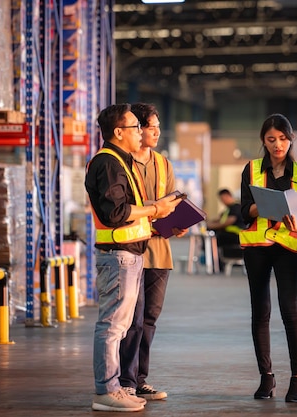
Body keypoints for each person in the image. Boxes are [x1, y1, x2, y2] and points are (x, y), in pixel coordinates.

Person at [85, 103, 182, 412]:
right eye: (135, 127)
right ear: (118, 132)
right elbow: (116, 212)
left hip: (130, 254)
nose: (140, 132)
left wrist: (159, 209)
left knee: (123, 325)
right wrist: (155, 210)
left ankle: (118, 385)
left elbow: (128, 205)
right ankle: (107, 389)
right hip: (118, 255)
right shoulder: (109, 162)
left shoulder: (121, 162)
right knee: (113, 326)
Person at [239, 113, 297, 403]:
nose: (277, 144)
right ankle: (266, 377)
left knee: (289, 309)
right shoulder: (252, 169)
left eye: (282, 139)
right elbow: (244, 209)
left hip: (287, 246)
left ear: (290, 139)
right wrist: (263, 206)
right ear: (263, 141)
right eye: (271, 139)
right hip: (257, 246)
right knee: (260, 312)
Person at [118, 103, 188, 402]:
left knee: (149, 318)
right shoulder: (121, 163)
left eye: (158, 126)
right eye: (151, 126)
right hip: (131, 249)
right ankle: (124, 381)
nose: (156, 131)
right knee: (130, 320)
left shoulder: (163, 163)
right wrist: (154, 213)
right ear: (137, 129)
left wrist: (179, 223)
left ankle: (140, 379)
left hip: (159, 252)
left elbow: (170, 202)